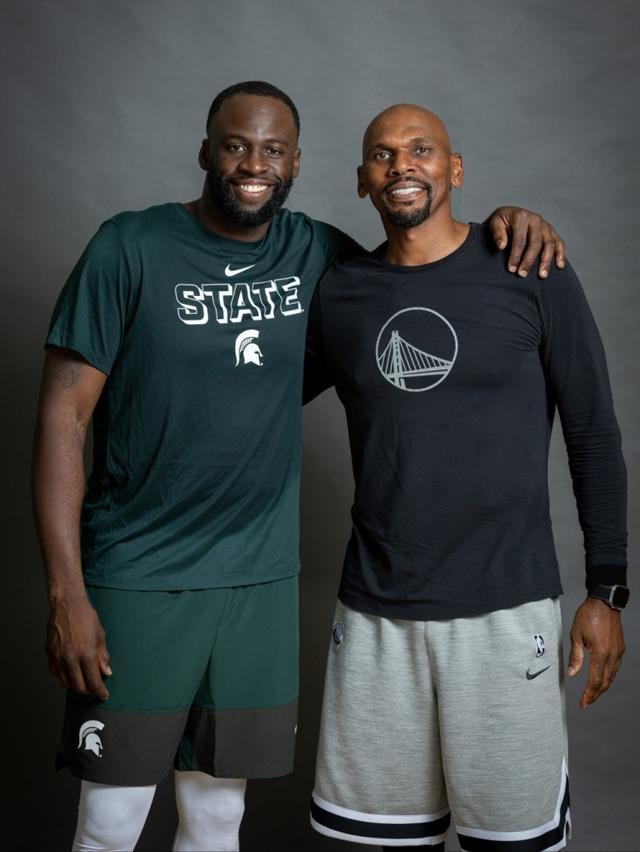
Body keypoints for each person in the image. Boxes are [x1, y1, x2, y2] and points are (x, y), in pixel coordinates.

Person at [31, 80, 566, 852]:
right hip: (140, 573)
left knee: (218, 815)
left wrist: (506, 226)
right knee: (112, 821)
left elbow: (417, 264)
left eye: (273, 150)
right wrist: (67, 594)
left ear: (297, 164)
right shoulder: (129, 246)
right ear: (206, 153)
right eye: (236, 146)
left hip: (259, 582)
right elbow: (63, 418)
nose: (255, 164)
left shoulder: (317, 255)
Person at [305, 104, 627, 851]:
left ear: (454, 169)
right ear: (361, 182)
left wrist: (607, 590)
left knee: (512, 844)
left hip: (505, 613)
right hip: (376, 618)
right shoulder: (340, 293)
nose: (402, 165)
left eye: (421, 150)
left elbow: (593, 432)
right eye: (382, 155)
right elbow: (250, 407)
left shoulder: (530, 268)